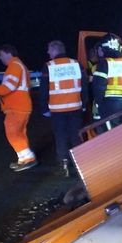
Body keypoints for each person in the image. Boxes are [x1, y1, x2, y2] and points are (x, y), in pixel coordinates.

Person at [0, 44, 38, 172]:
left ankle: (28, 159)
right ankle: (23, 159)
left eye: (1, 54)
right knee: (19, 133)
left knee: (13, 133)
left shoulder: (14, 66)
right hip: (21, 106)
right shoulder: (19, 65)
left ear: (8, 54)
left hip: (17, 107)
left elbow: (8, 87)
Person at [39, 40, 88, 177]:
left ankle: (64, 166)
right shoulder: (76, 64)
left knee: (60, 137)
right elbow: (84, 86)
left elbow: (44, 89)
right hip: (75, 107)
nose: (48, 52)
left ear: (55, 50)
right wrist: (84, 104)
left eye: (49, 49)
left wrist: (44, 108)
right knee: (75, 136)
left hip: (57, 110)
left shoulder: (49, 66)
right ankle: (81, 165)